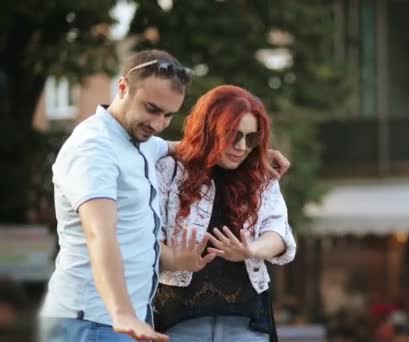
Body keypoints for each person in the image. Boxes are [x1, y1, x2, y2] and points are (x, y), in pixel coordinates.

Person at [38, 50, 290, 342]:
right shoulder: (95, 149)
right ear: (122, 88)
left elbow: (190, 147)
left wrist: (251, 153)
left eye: (168, 115)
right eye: (151, 109)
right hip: (95, 320)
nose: (157, 124)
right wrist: (122, 314)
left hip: (124, 321)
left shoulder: (141, 142)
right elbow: (100, 234)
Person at [152, 85, 297, 342]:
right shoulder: (169, 170)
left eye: (252, 139)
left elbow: (280, 232)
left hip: (246, 325)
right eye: (233, 135)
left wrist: (251, 250)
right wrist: (175, 259)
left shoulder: (261, 176)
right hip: (179, 323)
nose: (242, 146)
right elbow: (146, 238)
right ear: (210, 130)